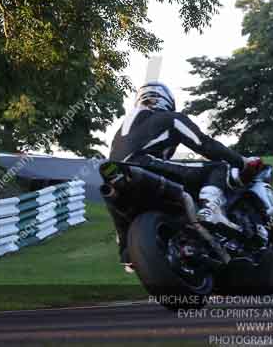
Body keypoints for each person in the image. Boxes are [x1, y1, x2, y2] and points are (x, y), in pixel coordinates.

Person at [106, 82, 264, 268]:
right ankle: (211, 209)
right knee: (218, 167)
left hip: (116, 183)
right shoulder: (170, 118)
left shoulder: (121, 132)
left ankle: (128, 252)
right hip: (144, 165)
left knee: (121, 213)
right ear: (165, 100)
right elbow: (204, 144)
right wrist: (241, 162)